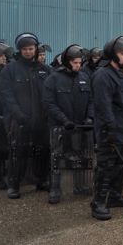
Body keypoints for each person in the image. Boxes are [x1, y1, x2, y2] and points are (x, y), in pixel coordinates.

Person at [90, 36, 123, 220]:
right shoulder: (103, 75)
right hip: (110, 133)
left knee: (119, 167)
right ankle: (98, 203)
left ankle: (114, 196)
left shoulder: (121, 74)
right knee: (106, 168)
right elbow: (103, 107)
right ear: (112, 54)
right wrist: (110, 130)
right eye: (122, 53)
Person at [0, 33, 51, 199]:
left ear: (35, 49)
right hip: (19, 120)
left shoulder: (45, 69)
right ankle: (14, 185)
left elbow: (50, 93)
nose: (28, 52)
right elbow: (6, 95)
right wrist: (18, 114)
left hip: (41, 120)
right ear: (20, 50)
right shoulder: (10, 70)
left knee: (42, 150)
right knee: (18, 152)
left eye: (31, 48)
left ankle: (42, 180)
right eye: (25, 49)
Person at [42, 44, 94, 204]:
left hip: (81, 126)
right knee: (57, 158)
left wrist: (90, 117)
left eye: (80, 62)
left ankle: (80, 185)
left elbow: (91, 100)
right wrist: (64, 120)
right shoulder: (53, 79)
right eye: (75, 63)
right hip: (60, 127)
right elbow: (49, 103)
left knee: (82, 156)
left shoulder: (85, 77)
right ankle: (55, 189)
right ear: (66, 62)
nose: (78, 65)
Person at [0, 42, 12, 189]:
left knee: (7, 148)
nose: (4, 58)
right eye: (1, 55)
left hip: (8, 115)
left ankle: (6, 175)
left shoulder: (7, 72)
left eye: (5, 55)